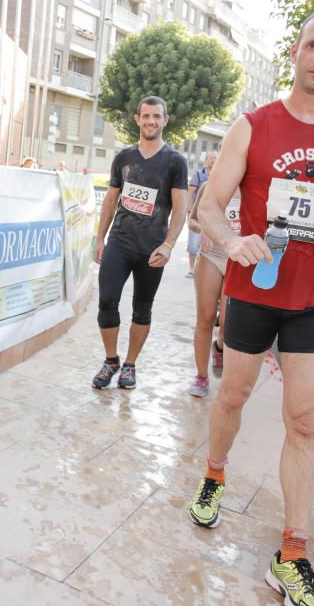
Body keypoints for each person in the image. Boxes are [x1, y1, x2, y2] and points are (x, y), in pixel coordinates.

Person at [186, 10, 314, 606]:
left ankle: (293, 551)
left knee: (305, 423)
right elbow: (209, 204)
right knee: (232, 399)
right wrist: (229, 242)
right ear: (296, 52)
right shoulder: (252, 127)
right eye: (312, 45)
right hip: (253, 293)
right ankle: (215, 473)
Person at [91, 95, 188, 390]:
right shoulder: (124, 157)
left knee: (142, 309)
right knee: (107, 300)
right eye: (146, 116)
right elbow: (111, 199)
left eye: (157, 116)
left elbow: (181, 208)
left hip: (152, 249)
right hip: (120, 242)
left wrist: (169, 245)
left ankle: (130, 366)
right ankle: (111, 361)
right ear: (137, 119)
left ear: (165, 120)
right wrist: (100, 238)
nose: (151, 121)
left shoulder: (175, 161)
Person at [184, 177, 239, 396]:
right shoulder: (211, 185)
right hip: (211, 255)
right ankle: (201, 376)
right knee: (205, 318)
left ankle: (220, 347)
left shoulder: (256, 187)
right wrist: (205, 229)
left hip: (238, 259)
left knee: (227, 326)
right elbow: (193, 221)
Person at [186, 150, 218, 278]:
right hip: (197, 214)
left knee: (209, 246)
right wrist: (189, 211)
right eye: (211, 158)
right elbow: (189, 193)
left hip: (213, 215)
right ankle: (191, 269)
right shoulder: (198, 175)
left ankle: (203, 271)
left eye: (216, 158)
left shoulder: (220, 175)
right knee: (193, 244)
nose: (214, 160)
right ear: (206, 159)